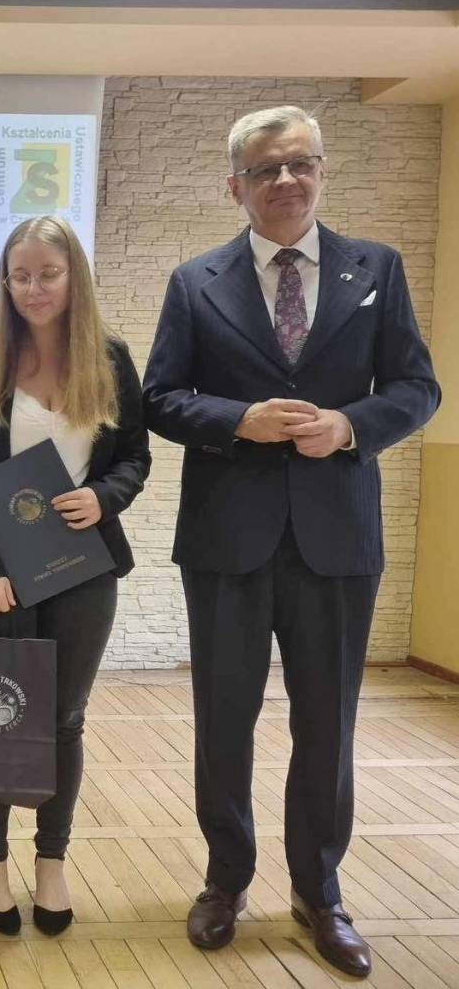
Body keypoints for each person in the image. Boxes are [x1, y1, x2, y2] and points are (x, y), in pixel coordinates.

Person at [142, 105, 440, 979]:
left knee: (327, 724)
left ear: (321, 172)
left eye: (299, 163)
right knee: (222, 721)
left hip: (335, 538)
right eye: (265, 168)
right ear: (234, 185)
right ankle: (225, 879)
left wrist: (349, 427)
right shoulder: (194, 281)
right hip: (225, 540)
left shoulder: (376, 269)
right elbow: (160, 398)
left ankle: (319, 890)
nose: (284, 180)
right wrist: (239, 420)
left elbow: (416, 388)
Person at [0, 215, 150, 937]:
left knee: (63, 719)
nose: (34, 288)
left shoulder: (111, 357)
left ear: (73, 277)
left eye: (48, 274)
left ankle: (51, 860)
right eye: (20, 275)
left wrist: (105, 496)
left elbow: (134, 457)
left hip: (84, 566)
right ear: (5, 281)